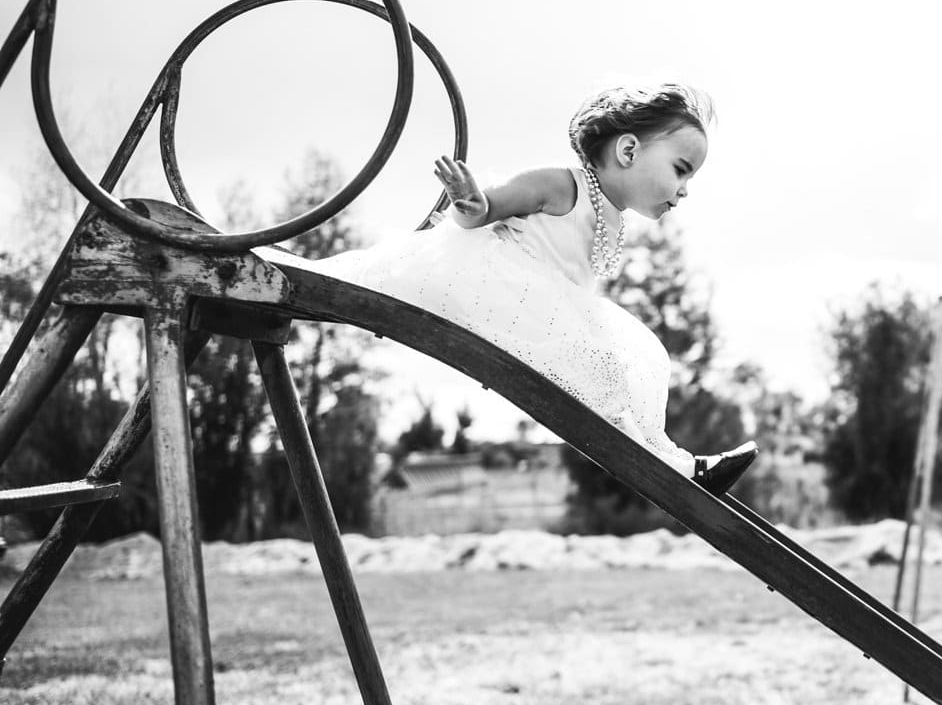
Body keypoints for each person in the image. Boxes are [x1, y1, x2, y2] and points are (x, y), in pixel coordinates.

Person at [313, 82, 757, 496]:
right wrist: (472, 203)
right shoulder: (562, 184)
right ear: (627, 150)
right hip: (502, 291)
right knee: (604, 368)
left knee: (630, 370)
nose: (684, 190)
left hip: (546, 315)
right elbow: (484, 210)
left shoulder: (613, 215)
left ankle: (676, 465)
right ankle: (673, 469)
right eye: (681, 171)